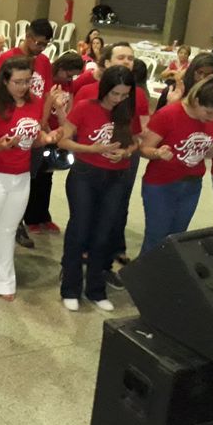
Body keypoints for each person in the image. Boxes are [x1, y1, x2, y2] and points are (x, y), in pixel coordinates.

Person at [0, 57, 61, 305]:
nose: (23, 86)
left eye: (27, 81)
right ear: (5, 81)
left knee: (8, 231)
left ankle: (3, 281)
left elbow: (33, 136)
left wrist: (46, 139)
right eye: (18, 82)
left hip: (20, 176)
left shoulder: (34, 102)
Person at [57, 66, 138, 312]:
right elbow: (64, 140)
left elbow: (135, 141)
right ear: (105, 89)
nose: (119, 99)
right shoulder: (85, 107)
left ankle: (96, 289)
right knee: (80, 229)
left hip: (116, 177)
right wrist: (92, 149)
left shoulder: (126, 110)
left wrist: (125, 153)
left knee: (103, 233)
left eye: (124, 95)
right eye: (115, 93)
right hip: (84, 175)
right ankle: (70, 288)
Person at [74, 42, 150, 283]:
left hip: (122, 161)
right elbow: (73, 129)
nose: (127, 61)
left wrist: (127, 152)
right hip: (88, 164)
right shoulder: (87, 91)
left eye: (130, 58)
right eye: (121, 57)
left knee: (115, 209)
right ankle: (76, 262)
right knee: (84, 213)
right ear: (106, 62)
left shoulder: (137, 95)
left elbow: (140, 133)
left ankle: (105, 261)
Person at [139, 75, 213, 254]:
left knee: (177, 239)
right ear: (196, 101)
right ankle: (145, 271)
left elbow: (204, 149)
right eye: (208, 113)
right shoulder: (169, 114)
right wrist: (157, 153)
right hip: (162, 184)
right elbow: (144, 148)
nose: (212, 118)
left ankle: (167, 271)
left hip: (192, 184)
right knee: (156, 238)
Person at [0, 19, 55, 247]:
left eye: (45, 44)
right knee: (7, 179)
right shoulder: (8, 58)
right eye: (38, 43)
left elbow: (46, 95)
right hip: (13, 129)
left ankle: (17, 222)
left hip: (35, 129)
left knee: (27, 180)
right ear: (28, 37)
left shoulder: (44, 62)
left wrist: (43, 123)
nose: (41, 48)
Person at [23, 51, 84, 234]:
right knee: (35, 177)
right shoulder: (47, 78)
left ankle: (44, 215)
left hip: (58, 133)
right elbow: (42, 106)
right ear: (61, 68)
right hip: (43, 131)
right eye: (69, 74)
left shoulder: (68, 84)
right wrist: (47, 131)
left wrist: (63, 130)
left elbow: (70, 107)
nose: (70, 79)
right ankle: (31, 217)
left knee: (47, 177)